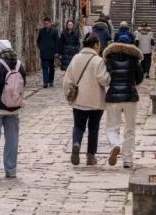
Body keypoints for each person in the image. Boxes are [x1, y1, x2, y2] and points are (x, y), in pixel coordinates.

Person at [63, 34, 110, 166]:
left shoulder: (76, 58)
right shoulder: (98, 60)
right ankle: (90, 156)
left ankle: (76, 143)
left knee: (78, 126)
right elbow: (103, 80)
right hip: (95, 101)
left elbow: (67, 79)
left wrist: (67, 95)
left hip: (79, 100)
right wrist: (109, 76)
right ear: (95, 45)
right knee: (93, 128)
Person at [0, 38, 26, 179]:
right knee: (12, 140)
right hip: (14, 108)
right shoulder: (19, 65)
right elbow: (23, 84)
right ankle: (11, 170)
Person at [103, 37, 144, 169]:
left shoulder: (109, 59)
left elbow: (105, 78)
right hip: (130, 97)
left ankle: (115, 144)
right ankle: (127, 159)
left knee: (111, 127)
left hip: (113, 97)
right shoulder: (134, 59)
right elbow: (140, 77)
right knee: (130, 128)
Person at [36, 17, 59, 88]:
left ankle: (51, 81)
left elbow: (57, 42)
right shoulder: (41, 31)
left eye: (47, 23)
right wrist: (40, 47)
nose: (46, 25)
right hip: (44, 52)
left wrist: (56, 52)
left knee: (51, 68)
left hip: (52, 53)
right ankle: (45, 82)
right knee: (44, 68)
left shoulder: (54, 31)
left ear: (50, 23)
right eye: (45, 23)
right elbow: (38, 41)